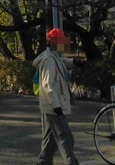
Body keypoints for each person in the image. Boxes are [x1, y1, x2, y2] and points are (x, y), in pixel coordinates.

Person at [33, 28, 82, 165]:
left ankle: (43, 162)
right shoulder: (49, 60)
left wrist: (74, 62)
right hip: (54, 105)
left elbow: (62, 62)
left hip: (53, 104)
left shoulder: (53, 57)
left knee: (51, 138)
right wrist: (56, 106)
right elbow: (48, 85)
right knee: (66, 138)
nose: (65, 44)